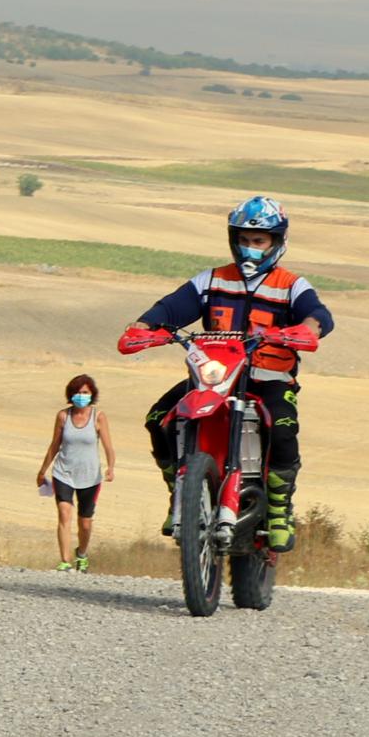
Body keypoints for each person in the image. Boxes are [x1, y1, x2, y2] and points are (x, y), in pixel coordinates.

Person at [125, 196, 334, 554]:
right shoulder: (212, 280)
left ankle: (279, 510)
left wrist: (309, 328)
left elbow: (318, 314)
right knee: (159, 417)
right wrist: (144, 326)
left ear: (276, 242)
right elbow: (173, 306)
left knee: (283, 427)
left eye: (259, 241)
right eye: (244, 240)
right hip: (214, 377)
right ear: (233, 240)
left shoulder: (290, 284)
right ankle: (181, 494)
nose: (250, 248)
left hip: (268, 377)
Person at [30, 372, 116, 571]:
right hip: (63, 473)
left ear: (91, 394)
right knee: (64, 513)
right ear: (70, 394)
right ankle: (65, 561)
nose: (81, 395)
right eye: (77, 392)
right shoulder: (63, 416)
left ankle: (82, 554)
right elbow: (54, 445)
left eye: (85, 392)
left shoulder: (98, 417)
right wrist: (42, 471)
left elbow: (108, 447)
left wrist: (110, 468)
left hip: (90, 476)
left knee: (85, 523)